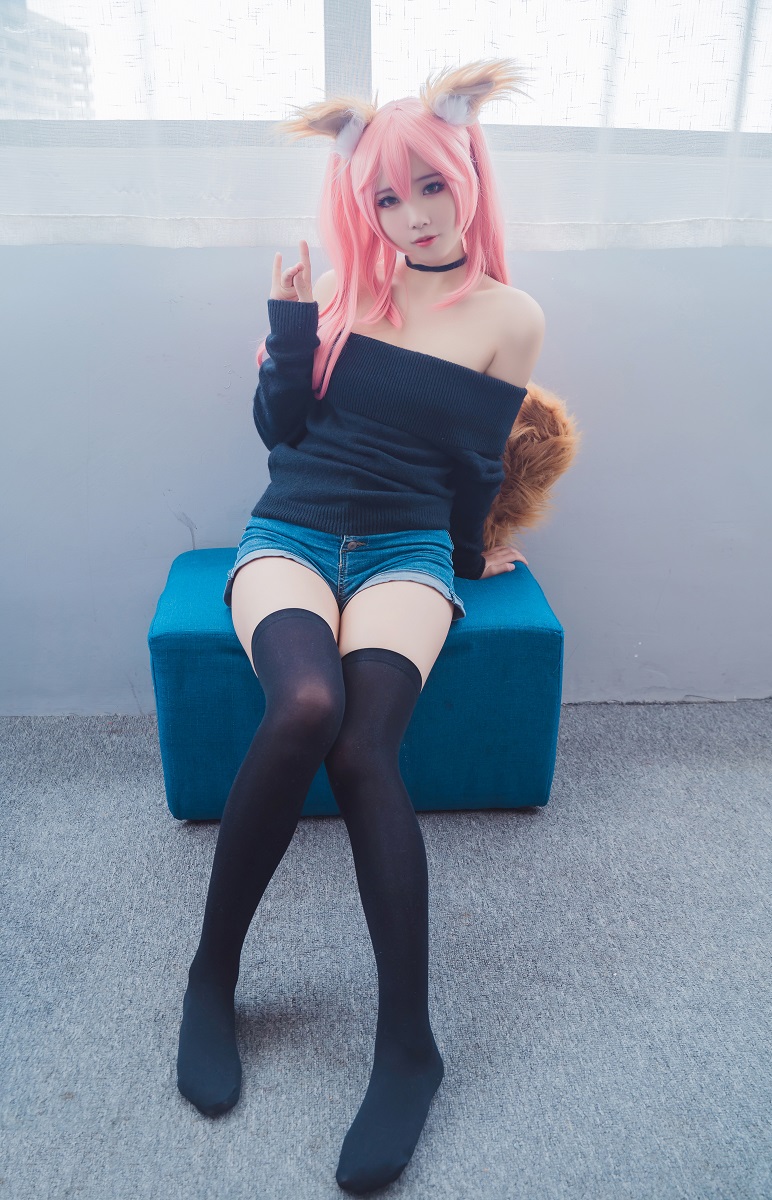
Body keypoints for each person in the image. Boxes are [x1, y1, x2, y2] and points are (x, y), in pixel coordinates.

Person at [176, 58, 545, 1195]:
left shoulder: (510, 316)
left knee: (363, 745)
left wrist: (471, 551)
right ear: (364, 205)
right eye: (387, 197)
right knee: (304, 704)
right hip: (289, 535)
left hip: (403, 552)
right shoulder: (346, 291)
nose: (413, 215)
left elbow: (473, 462)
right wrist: (291, 325)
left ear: (467, 178)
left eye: (430, 186)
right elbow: (281, 432)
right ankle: (211, 979)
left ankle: (408, 1046)